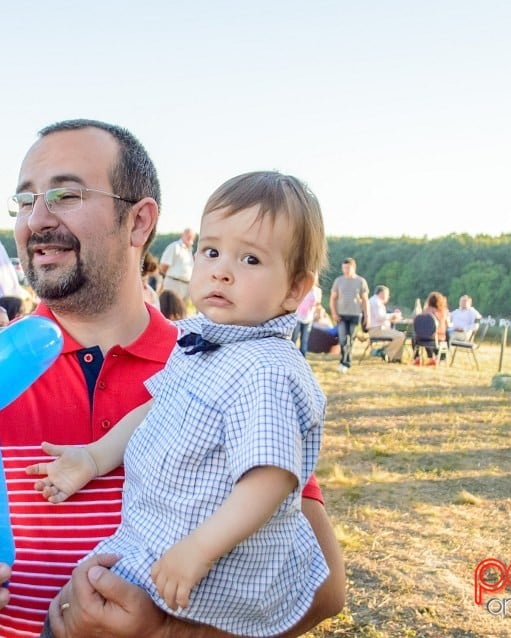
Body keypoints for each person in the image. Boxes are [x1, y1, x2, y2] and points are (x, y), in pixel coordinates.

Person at [0, 119, 344, 637]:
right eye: (24, 200)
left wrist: (168, 634)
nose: (36, 219)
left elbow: (323, 586)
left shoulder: (225, 367)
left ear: (140, 222)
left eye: (65, 194)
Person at [28, 171, 329, 636]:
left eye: (250, 259)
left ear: (294, 289)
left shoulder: (265, 368)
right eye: (211, 251)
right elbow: (157, 409)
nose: (221, 270)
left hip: (207, 570)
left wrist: (198, 550)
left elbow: (271, 478)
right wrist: (94, 456)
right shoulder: (204, 344)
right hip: (154, 542)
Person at [329, 257, 369, 373]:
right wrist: (334, 313)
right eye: (344, 268)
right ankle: (343, 360)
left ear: (353, 267)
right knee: (342, 339)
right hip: (341, 315)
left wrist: (367, 316)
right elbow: (332, 299)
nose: (346, 270)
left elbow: (365, 300)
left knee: (350, 339)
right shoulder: (338, 281)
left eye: (348, 268)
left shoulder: (360, 281)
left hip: (355, 314)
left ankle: (346, 361)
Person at [367, 285, 405, 363]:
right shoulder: (376, 302)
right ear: (382, 293)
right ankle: (385, 353)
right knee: (401, 336)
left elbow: (380, 318)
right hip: (377, 330)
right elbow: (380, 317)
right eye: (388, 295)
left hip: (377, 328)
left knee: (400, 335)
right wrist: (393, 315)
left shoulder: (374, 301)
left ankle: (395, 358)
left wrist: (392, 317)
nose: (388, 297)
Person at [159, 227, 196, 304]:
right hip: (174, 283)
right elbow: (163, 265)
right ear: (182, 235)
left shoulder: (189, 250)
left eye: (192, 237)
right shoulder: (175, 246)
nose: (190, 238)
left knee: (182, 313)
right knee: (170, 309)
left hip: (186, 285)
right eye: (188, 235)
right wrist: (170, 278)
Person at [415, 291, 449, 366]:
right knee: (447, 335)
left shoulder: (425, 311)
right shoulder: (443, 312)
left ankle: (417, 357)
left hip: (422, 339)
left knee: (418, 336)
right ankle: (441, 358)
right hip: (438, 337)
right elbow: (447, 324)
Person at [291, 277, 322, 357]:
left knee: (304, 340)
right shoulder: (302, 289)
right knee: (293, 339)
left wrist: (319, 315)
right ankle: (291, 357)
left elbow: (318, 305)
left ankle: (302, 360)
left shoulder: (317, 291)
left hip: (309, 318)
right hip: (298, 317)